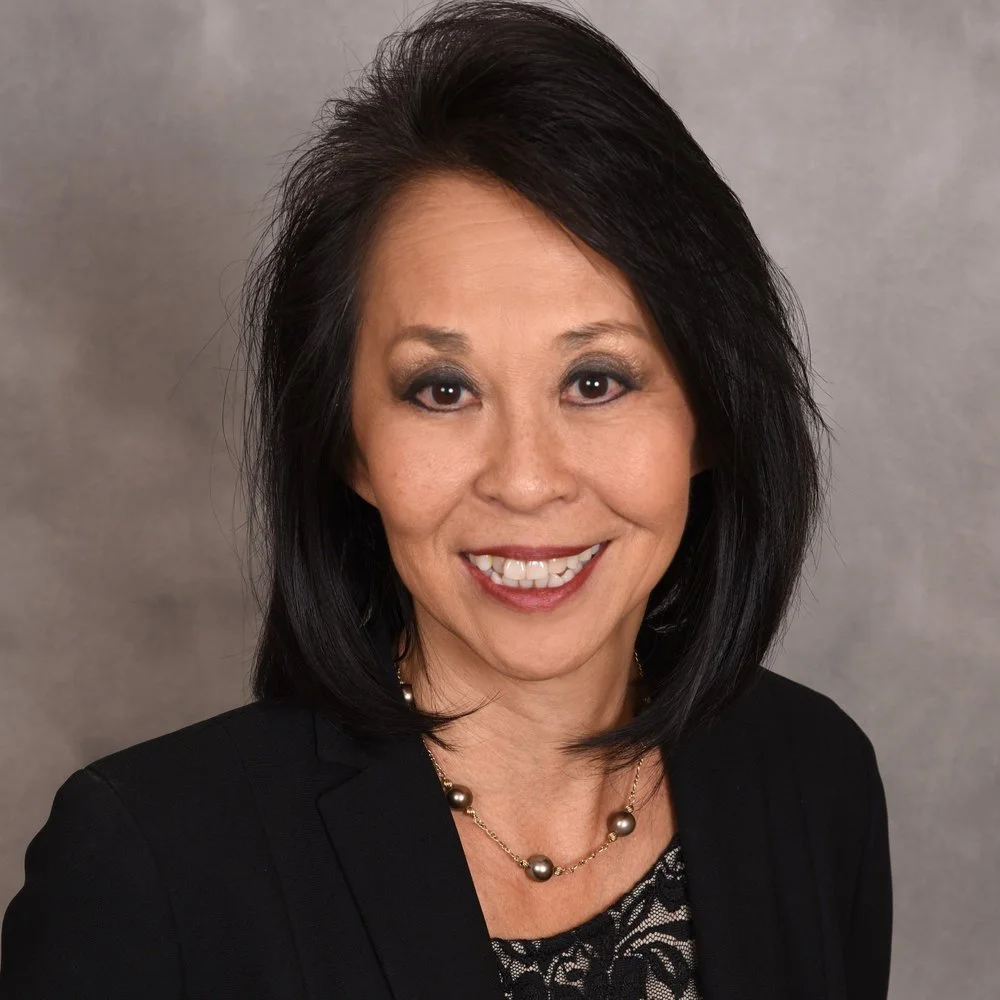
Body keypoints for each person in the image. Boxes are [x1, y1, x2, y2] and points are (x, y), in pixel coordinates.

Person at [0, 1, 892, 997]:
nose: (523, 476)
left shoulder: (814, 781)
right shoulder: (148, 866)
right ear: (349, 446)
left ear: (710, 416)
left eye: (595, 379)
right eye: (442, 389)